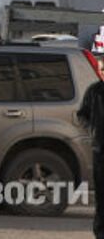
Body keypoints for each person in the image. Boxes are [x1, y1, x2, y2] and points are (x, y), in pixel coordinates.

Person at [77, 77, 104, 239]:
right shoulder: (94, 91)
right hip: (100, 150)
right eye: (101, 69)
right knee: (101, 197)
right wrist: (92, 130)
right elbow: (82, 115)